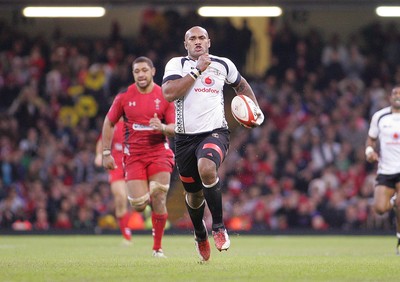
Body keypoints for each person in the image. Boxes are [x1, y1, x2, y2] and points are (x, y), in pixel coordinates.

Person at [162, 26, 264, 262]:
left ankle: (218, 226)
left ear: (209, 42)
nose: (197, 42)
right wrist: (197, 71)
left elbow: (242, 86)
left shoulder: (224, 64)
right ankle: (200, 234)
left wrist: (255, 110)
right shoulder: (176, 65)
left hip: (215, 132)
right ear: (186, 44)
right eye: (192, 39)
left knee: (207, 168)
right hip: (185, 138)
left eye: (201, 38)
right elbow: (168, 93)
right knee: (194, 195)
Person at [101, 56, 175, 258]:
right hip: (133, 156)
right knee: (139, 204)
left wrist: (162, 127)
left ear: (153, 71)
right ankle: (147, 194)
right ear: (133, 74)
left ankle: (157, 248)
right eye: (137, 71)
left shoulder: (165, 96)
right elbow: (108, 123)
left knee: (159, 194)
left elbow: (176, 128)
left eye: (144, 70)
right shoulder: (124, 97)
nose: (141, 74)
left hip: (159, 152)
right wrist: (106, 153)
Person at [365, 85, 400, 254]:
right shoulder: (380, 116)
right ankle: (393, 201)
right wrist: (369, 151)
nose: (397, 96)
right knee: (380, 209)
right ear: (390, 97)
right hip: (386, 170)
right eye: (395, 93)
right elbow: (371, 140)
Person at [95, 118, 132, 245]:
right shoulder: (112, 124)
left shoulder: (134, 122)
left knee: (132, 200)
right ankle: (126, 233)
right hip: (116, 166)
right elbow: (102, 140)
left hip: (133, 164)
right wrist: (99, 155)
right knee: (120, 197)